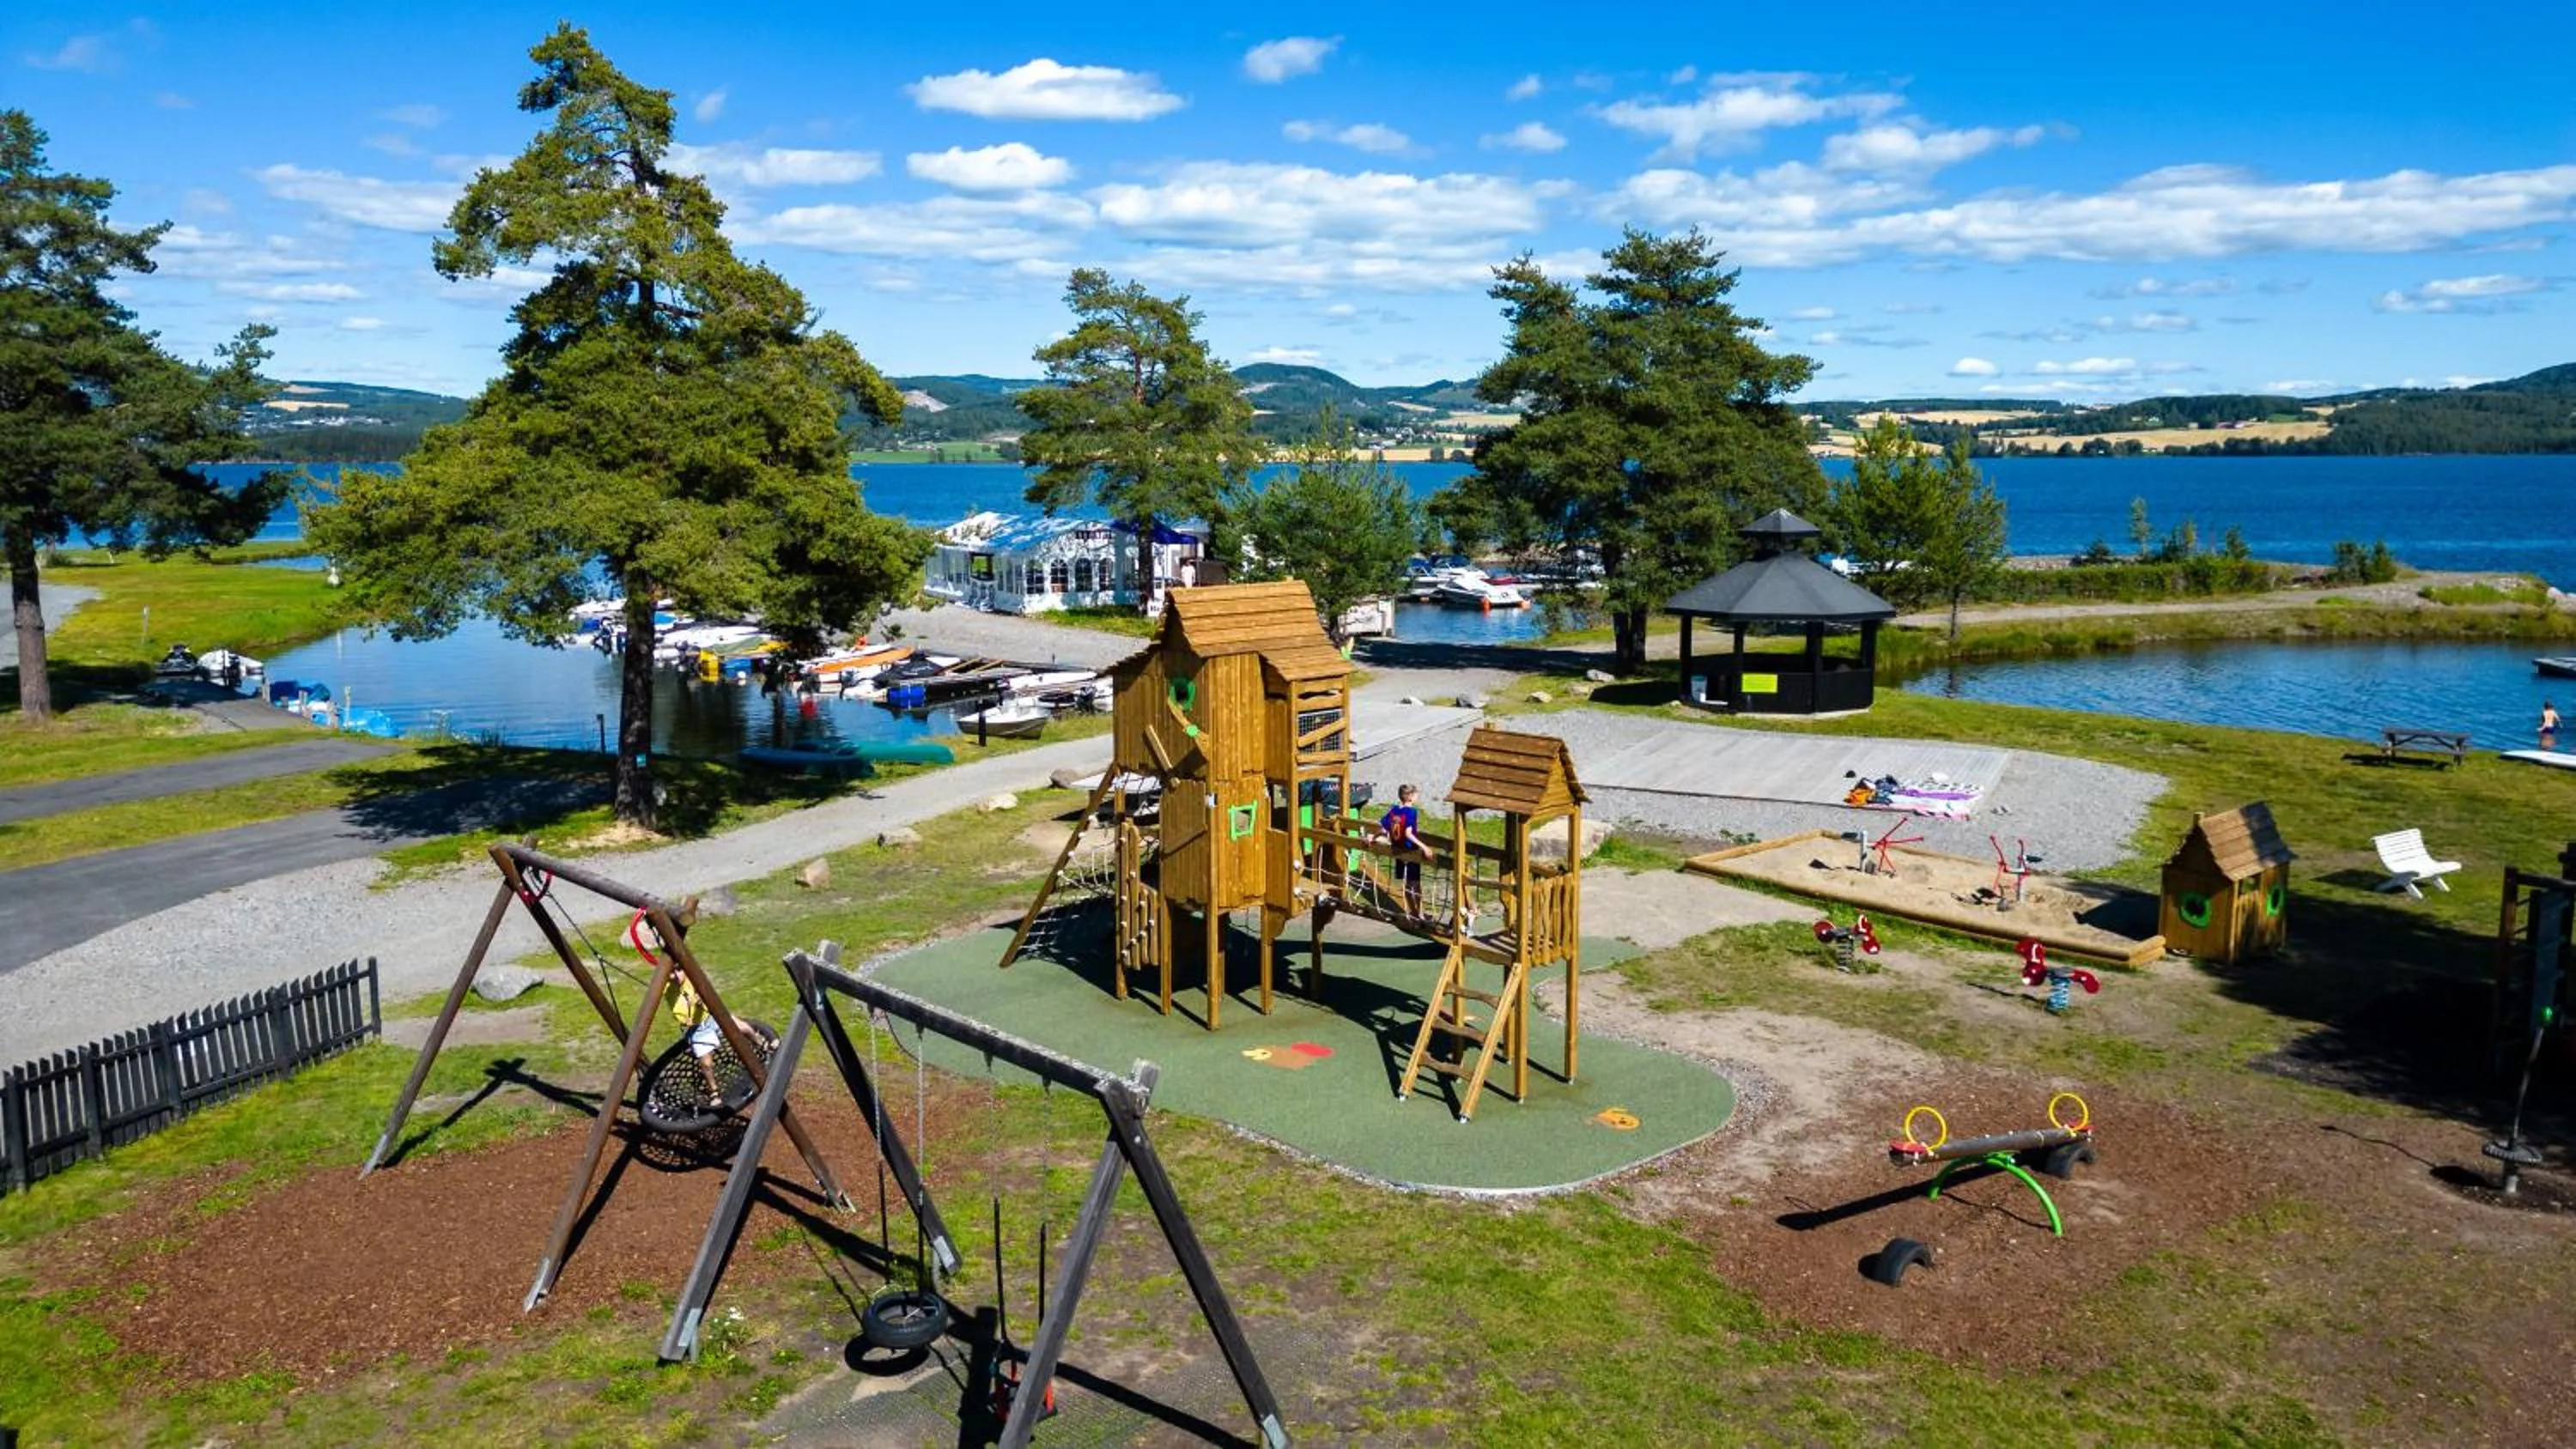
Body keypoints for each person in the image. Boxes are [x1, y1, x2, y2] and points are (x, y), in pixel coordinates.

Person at [1380, 783, 1429, 919]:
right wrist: (1424, 847)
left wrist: (1374, 837)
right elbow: (1408, 833)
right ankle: (1419, 913)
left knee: (1407, 883)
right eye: (1416, 795)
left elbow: (1383, 827)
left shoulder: (1395, 810)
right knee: (1415, 883)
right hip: (1410, 850)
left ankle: (1412, 911)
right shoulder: (1411, 812)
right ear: (1411, 797)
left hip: (1397, 850)